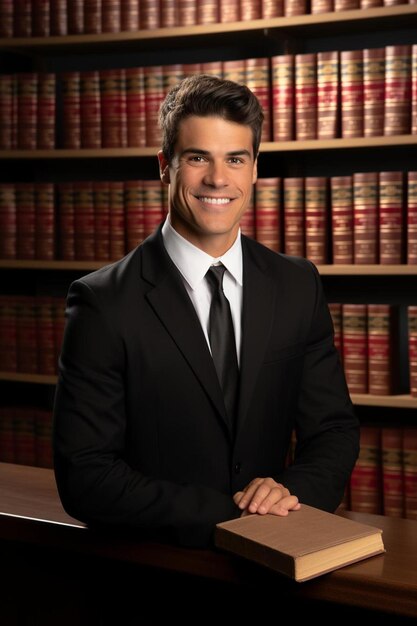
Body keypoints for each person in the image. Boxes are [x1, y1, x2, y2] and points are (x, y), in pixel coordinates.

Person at [53, 74, 360, 549]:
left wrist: (288, 496)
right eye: (198, 158)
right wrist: (234, 517)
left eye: (235, 159)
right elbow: (86, 474)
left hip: (278, 564)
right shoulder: (103, 302)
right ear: (165, 166)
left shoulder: (297, 285)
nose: (218, 179)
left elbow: (334, 430)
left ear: (254, 168)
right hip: (158, 574)